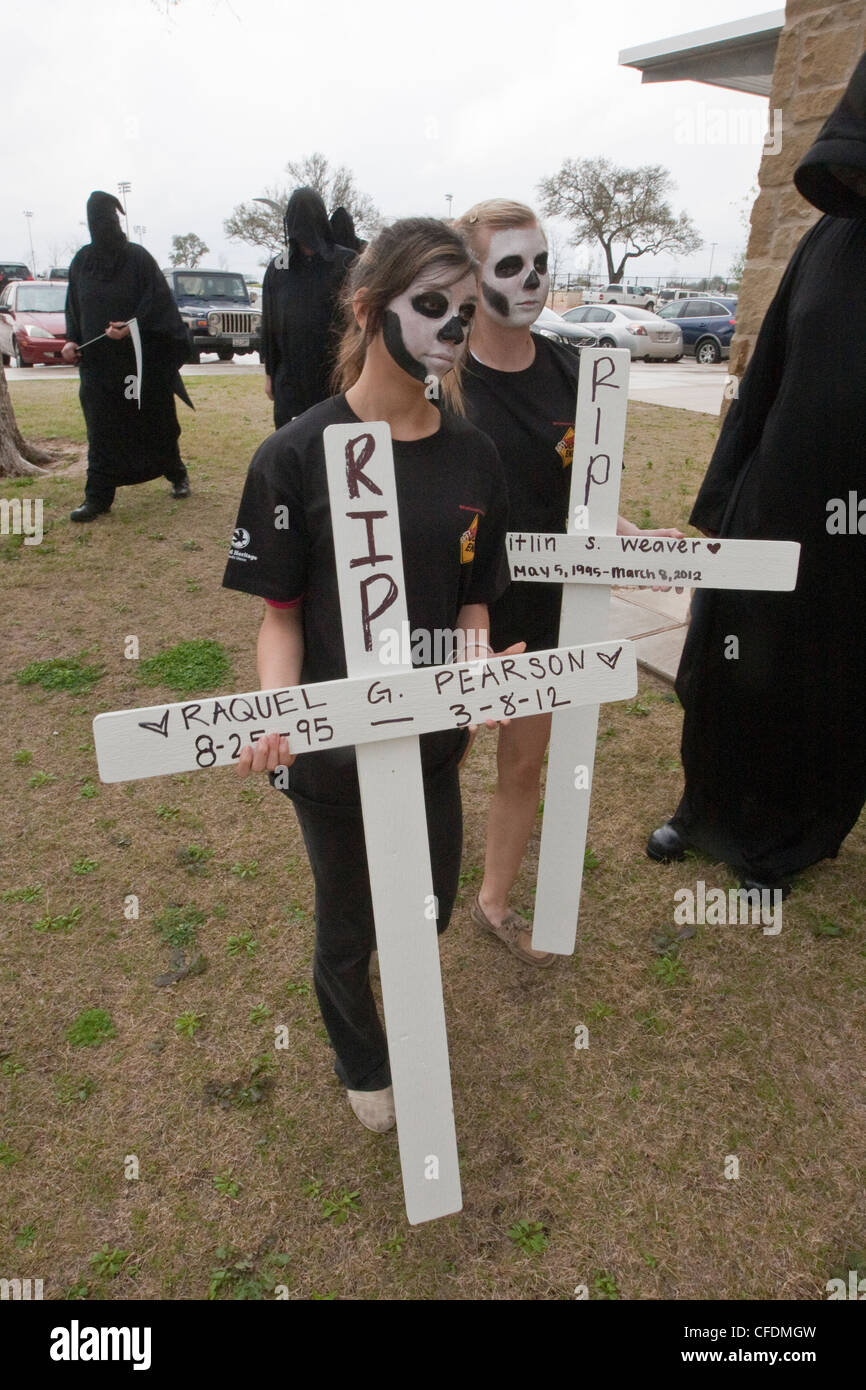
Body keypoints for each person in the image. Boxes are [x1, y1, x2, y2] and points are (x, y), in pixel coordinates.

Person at [223, 218, 510, 1132]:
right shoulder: (292, 457)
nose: (452, 329)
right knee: (347, 930)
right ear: (365, 307)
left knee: (424, 909)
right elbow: (280, 618)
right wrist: (276, 709)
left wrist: (475, 674)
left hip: (431, 748)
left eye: (466, 311)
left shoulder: (475, 455)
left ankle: (412, 1024)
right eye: (430, 306)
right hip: (334, 761)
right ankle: (362, 1057)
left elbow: (473, 599)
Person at [648, 54, 866, 893]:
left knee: (825, 681)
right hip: (775, 500)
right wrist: (723, 500)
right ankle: (705, 809)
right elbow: (765, 374)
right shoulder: (828, 239)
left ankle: (785, 837)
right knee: (732, 661)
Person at [454, 199, 683, 965]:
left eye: (541, 262)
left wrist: (634, 537)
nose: (530, 279)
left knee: (523, 763)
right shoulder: (442, 379)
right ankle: (415, 872)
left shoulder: (579, 373)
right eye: (509, 265)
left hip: (552, 611)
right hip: (458, 614)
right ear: (472, 276)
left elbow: (589, 496)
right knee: (435, 755)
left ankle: (493, 900)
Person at [62, 191, 193, 521]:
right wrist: (70, 341)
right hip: (97, 370)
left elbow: (159, 305)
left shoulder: (138, 259)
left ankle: (176, 473)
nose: (104, 228)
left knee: (156, 424)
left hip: (139, 363)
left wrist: (130, 327)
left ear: (118, 222)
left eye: (109, 221)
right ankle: (98, 497)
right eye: (97, 222)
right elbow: (73, 309)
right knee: (100, 430)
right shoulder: (81, 262)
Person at [260, 188, 356, 428]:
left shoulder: (346, 263)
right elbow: (269, 324)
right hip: (291, 379)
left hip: (335, 376)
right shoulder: (279, 268)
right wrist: (270, 373)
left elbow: (360, 322)